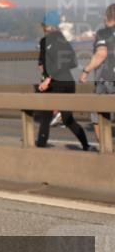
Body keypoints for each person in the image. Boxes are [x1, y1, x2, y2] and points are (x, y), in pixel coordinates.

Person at [35, 11, 90, 150]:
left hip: (55, 83)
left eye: (43, 25)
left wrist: (47, 79)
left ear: (47, 26)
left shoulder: (45, 41)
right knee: (68, 119)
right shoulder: (64, 40)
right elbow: (73, 62)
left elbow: (41, 64)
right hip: (68, 83)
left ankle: (41, 146)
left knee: (46, 116)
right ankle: (86, 145)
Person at [79, 3, 115, 144]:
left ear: (106, 17)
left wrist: (85, 71)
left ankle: (104, 146)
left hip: (107, 79)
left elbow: (101, 54)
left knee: (97, 111)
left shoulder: (103, 33)